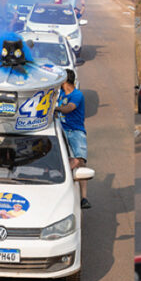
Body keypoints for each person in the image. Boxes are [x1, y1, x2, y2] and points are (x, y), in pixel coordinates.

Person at [56, 69, 90, 209]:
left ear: (65, 81)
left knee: (81, 160)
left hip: (75, 131)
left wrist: (56, 109)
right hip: (61, 129)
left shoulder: (77, 95)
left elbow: (69, 108)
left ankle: (84, 198)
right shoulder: (61, 93)